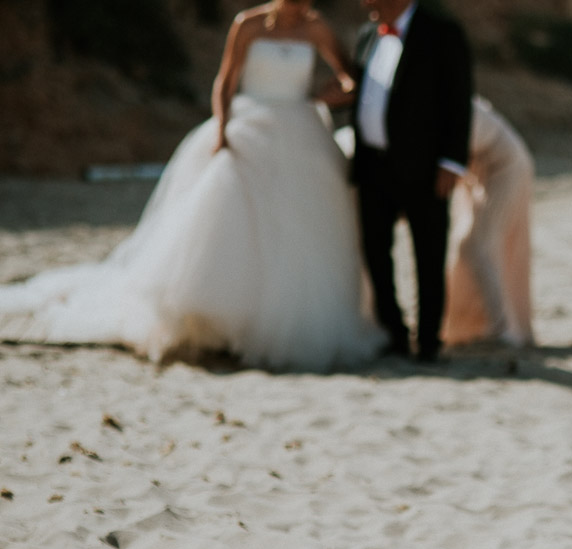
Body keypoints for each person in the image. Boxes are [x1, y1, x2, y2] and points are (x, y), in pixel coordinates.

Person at [0, 0, 386, 372]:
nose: (301, 4)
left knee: (300, 229)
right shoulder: (247, 24)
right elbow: (226, 81)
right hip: (249, 127)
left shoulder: (318, 28)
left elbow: (352, 77)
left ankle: (276, 324)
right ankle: (222, 324)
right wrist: (221, 129)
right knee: (230, 219)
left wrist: (316, 97)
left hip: (300, 133)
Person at [351, 0, 473, 362]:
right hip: (373, 164)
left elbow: (458, 98)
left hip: (425, 167)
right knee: (375, 250)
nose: (364, 3)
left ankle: (430, 341)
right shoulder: (366, 35)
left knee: (428, 253)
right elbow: (366, 93)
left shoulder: (441, 31)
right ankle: (395, 334)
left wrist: (452, 162)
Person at [443, 96, 535, 348]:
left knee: (476, 245)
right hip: (477, 173)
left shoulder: (450, 103)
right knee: (467, 243)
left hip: (506, 169)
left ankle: (500, 329)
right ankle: (469, 325)